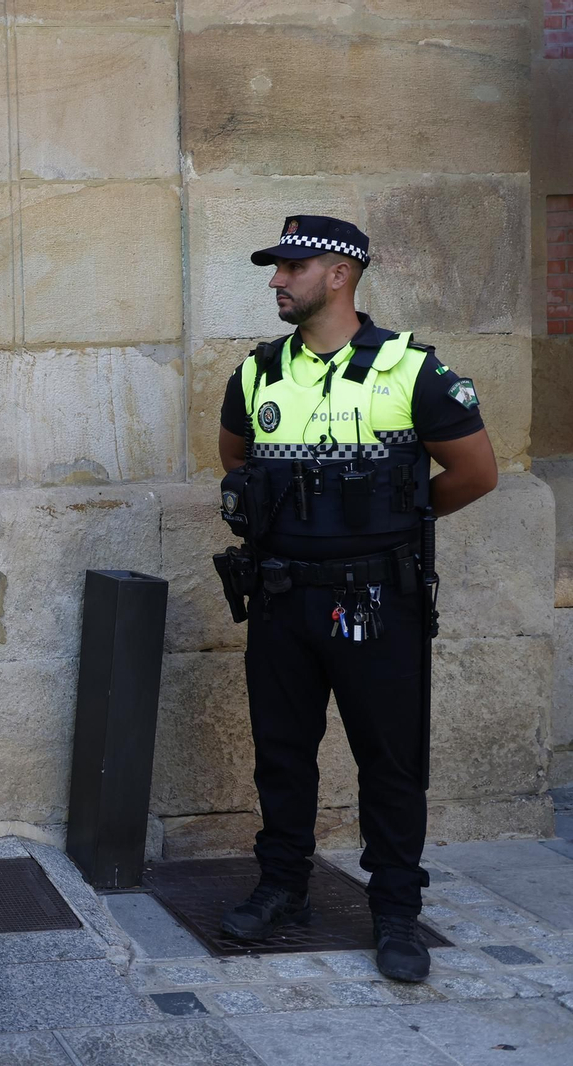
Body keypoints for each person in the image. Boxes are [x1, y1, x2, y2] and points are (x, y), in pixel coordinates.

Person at [212, 215, 498, 983]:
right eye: (276, 268)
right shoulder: (259, 373)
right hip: (281, 599)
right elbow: (235, 460)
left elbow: (476, 472)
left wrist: (392, 526)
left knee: (391, 761)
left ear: (339, 274)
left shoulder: (413, 371)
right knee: (281, 754)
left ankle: (396, 911)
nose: (277, 280)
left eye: (292, 267)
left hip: (377, 599)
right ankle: (283, 888)